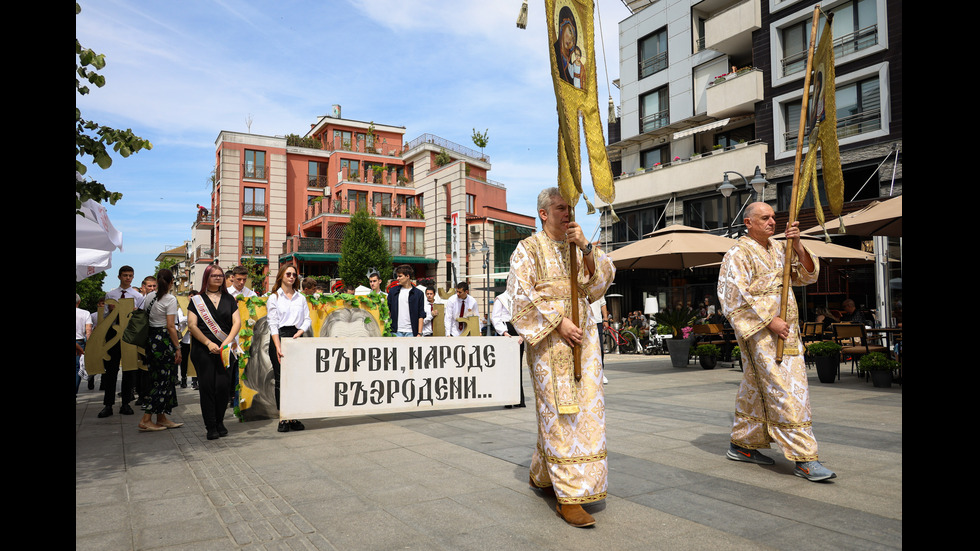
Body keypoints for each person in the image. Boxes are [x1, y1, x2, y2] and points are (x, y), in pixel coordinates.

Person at [509, 187, 615, 527]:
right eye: (560, 208)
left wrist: (585, 247)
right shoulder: (527, 249)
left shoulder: (576, 246)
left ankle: (544, 474)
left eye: (570, 208)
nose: (567, 213)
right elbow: (519, 297)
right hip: (550, 346)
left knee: (587, 411)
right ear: (543, 213)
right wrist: (558, 321)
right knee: (559, 414)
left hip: (585, 342)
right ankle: (569, 496)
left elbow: (600, 284)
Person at [717, 202, 836, 482]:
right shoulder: (737, 253)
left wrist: (797, 246)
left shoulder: (781, 248)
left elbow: (807, 275)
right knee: (785, 389)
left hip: (789, 331)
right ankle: (805, 456)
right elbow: (732, 295)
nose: (772, 222)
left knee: (757, 385)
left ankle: (743, 444)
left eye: (773, 217)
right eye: (764, 218)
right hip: (760, 331)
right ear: (748, 222)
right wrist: (770, 320)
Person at [188, 265, 241, 440]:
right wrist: (208, 342)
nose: (217, 278)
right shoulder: (196, 300)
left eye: (220, 276)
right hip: (203, 350)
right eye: (213, 275)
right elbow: (192, 325)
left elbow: (237, 323)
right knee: (207, 387)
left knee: (223, 387)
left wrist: (226, 343)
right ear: (206, 278)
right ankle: (210, 426)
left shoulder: (229, 299)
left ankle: (220, 422)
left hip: (225, 350)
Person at [137, 269, 184, 432]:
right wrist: (177, 347)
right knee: (163, 381)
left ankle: (161, 417)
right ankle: (146, 419)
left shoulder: (149, 296)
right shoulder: (170, 299)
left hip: (151, 340)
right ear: (172, 282)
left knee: (158, 377)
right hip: (164, 340)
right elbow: (171, 326)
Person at [267, 264, 311, 433]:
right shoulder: (274, 298)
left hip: (296, 338)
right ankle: (283, 418)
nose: (292, 277)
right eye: (288, 274)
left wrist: (300, 332)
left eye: (294, 274)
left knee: (295, 380)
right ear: (281, 276)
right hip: (279, 337)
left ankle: (294, 416)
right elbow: (272, 323)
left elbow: (306, 319)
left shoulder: (301, 298)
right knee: (281, 380)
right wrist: (278, 346)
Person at [99, 266, 144, 418]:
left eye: (130, 275)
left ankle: (126, 403)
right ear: (119, 277)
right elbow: (103, 318)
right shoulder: (110, 295)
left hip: (130, 334)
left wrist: (135, 311)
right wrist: (112, 311)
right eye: (125, 275)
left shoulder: (137, 296)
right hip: (113, 334)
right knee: (111, 370)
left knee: (129, 370)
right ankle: (108, 404)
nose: (128, 278)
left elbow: (141, 319)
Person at [490, 290, 526, 408]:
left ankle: (519, 399)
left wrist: (522, 335)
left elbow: (525, 318)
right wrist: (504, 333)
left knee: (517, 366)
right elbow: (495, 317)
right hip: (506, 333)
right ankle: (507, 399)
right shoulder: (500, 298)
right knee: (506, 367)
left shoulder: (520, 298)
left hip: (518, 333)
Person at [387, 264, 425, 337]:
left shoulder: (418, 294)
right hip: (395, 331)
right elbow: (388, 310)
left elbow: (421, 314)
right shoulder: (393, 291)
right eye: (397, 276)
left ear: (408, 276)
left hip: (411, 332)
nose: (398, 278)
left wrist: (419, 333)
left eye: (400, 276)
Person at [76, 294, 92, 395]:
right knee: (78, 368)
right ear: (79, 301)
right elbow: (88, 330)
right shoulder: (85, 313)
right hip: (79, 342)